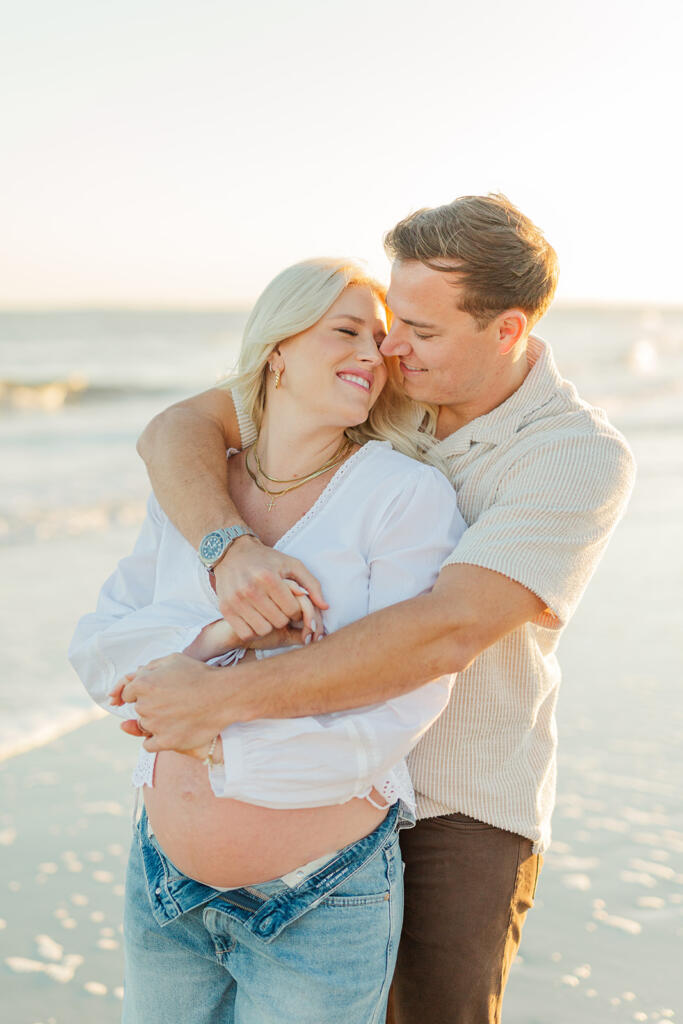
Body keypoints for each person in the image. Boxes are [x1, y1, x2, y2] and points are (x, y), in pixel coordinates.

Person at [124, 194, 636, 1024]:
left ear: (506, 331)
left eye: (424, 332)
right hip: (297, 771)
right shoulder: (375, 382)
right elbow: (177, 429)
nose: (392, 347)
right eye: (393, 319)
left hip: (453, 804)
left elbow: (450, 627)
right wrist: (231, 549)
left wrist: (215, 700)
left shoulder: (573, 456)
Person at [69, 258, 467, 1024]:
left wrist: (216, 738)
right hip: (162, 884)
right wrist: (221, 629)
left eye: (378, 340)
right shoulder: (200, 488)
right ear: (277, 349)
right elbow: (100, 647)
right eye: (343, 330)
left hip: (317, 896)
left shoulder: (404, 496)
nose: (368, 353)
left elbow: (398, 708)